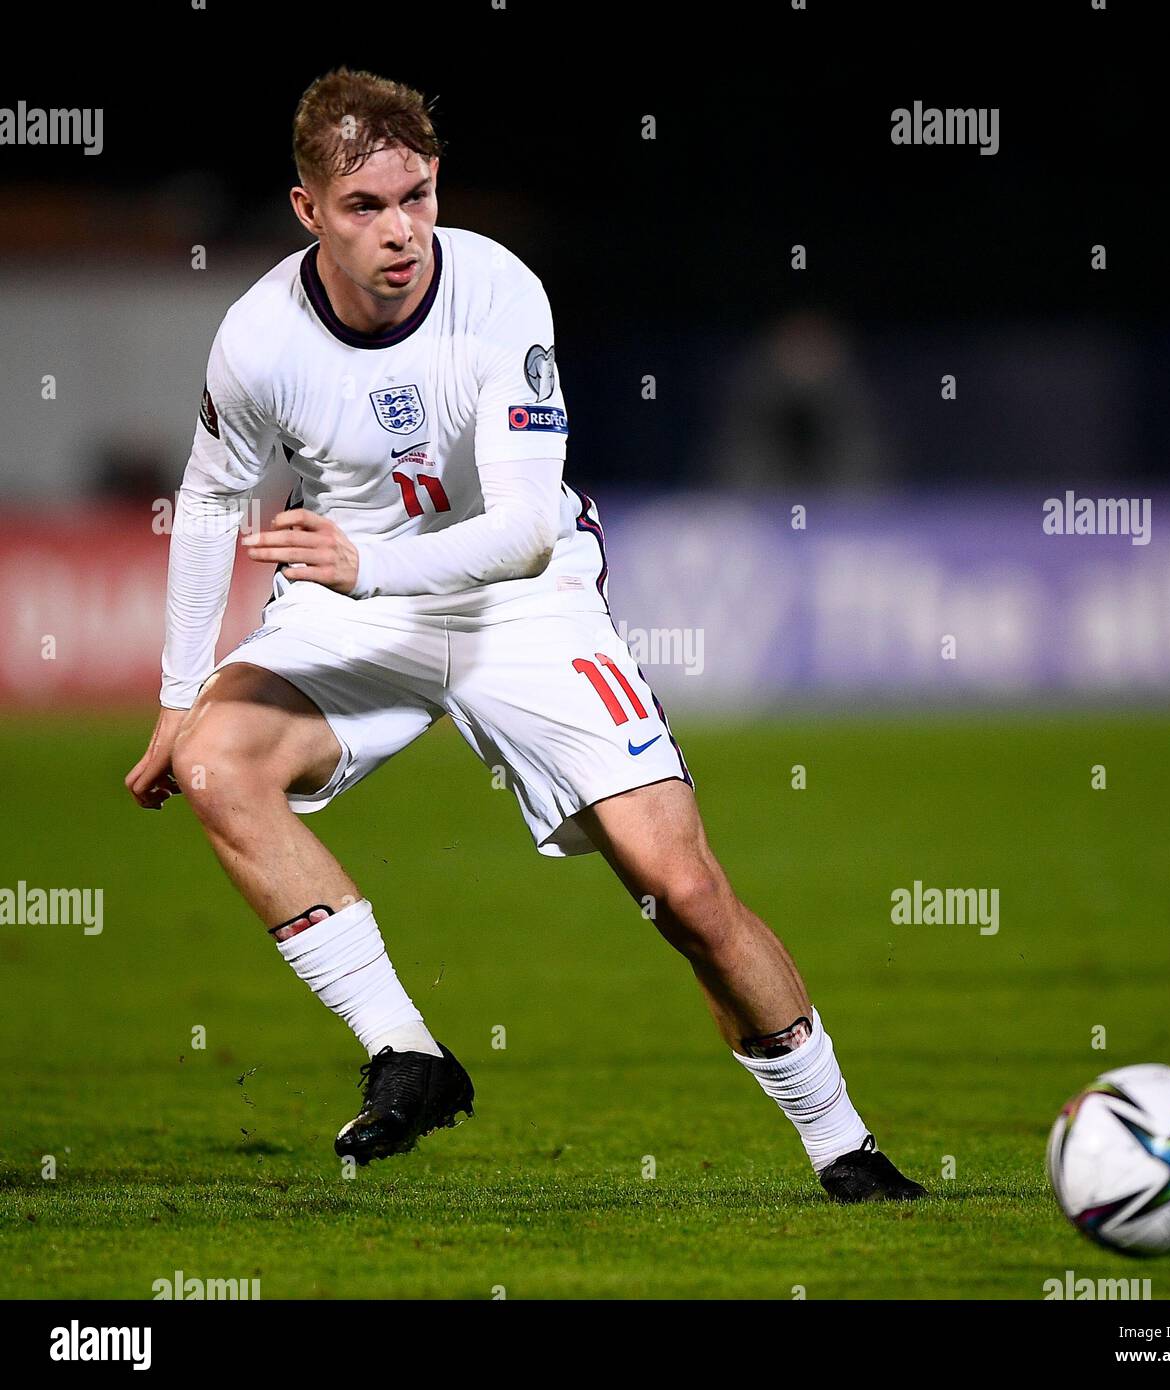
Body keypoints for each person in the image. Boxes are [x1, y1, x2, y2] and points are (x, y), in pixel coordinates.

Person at [124, 67, 925, 1203]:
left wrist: (367, 563)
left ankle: (843, 1144)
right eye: (365, 207)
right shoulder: (257, 338)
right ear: (307, 211)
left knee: (681, 888)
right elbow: (209, 501)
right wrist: (176, 691)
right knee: (213, 760)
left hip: (520, 602)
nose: (401, 231)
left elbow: (516, 538)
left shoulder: (497, 294)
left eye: (418, 195)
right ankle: (408, 1052)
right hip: (356, 610)